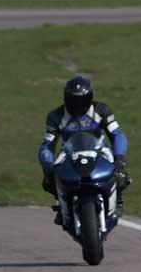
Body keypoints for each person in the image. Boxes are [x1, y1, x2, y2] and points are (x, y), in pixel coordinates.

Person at [38, 76, 132, 223]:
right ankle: (63, 206)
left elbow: (117, 134)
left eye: (82, 100)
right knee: (49, 180)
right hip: (69, 153)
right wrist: (47, 165)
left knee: (120, 175)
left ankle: (118, 201)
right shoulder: (55, 116)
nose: (77, 105)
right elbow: (48, 145)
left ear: (89, 98)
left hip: (99, 150)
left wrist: (119, 157)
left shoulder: (102, 110)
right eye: (73, 100)